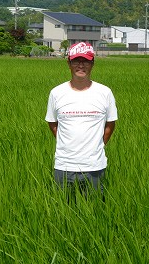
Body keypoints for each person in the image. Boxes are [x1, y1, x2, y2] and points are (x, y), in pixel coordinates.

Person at [45, 42, 118, 201]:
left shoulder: (104, 92)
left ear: (92, 64)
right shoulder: (57, 93)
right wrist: (67, 143)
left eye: (85, 61)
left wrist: (97, 145)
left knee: (94, 210)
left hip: (94, 166)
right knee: (62, 211)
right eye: (76, 61)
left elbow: (110, 124)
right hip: (64, 166)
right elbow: (52, 123)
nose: (81, 65)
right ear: (68, 63)